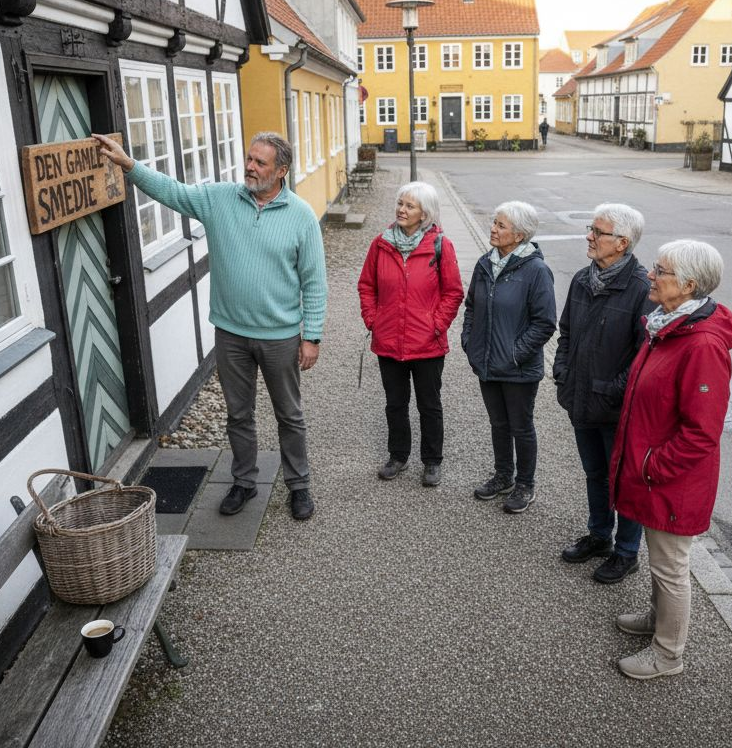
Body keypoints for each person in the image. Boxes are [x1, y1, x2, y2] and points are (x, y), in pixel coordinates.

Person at [93, 131, 326, 521]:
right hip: (231, 334)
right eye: (249, 159)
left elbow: (315, 281)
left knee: (289, 415)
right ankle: (244, 482)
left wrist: (312, 336)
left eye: (260, 162)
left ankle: (299, 486)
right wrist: (128, 165)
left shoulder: (300, 216)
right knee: (238, 415)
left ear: (281, 170)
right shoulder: (220, 199)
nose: (250, 167)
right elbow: (172, 192)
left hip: (280, 337)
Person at [609, 239, 732, 679]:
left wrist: (650, 467)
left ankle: (668, 655)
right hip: (656, 475)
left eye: (660, 270)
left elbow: (702, 432)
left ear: (688, 285)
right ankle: (656, 619)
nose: (650, 274)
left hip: (672, 480)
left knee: (670, 567)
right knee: (659, 560)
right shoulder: (666, 324)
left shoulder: (701, 345)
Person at [554, 203, 653, 584]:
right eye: (590, 229)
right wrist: (562, 371)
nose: (589, 237)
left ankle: (626, 553)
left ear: (622, 243)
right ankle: (599, 535)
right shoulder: (582, 279)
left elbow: (644, 356)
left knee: (624, 482)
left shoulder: (641, 289)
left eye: (598, 231)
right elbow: (566, 333)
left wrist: (612, 391)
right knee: (594, 474)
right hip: (580, 398)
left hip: (616, 409)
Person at [359, 182, 465, 487]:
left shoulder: (440, 245)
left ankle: (432, 461)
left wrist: (436, 325)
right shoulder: (381, 244)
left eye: (410, 206)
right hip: (388, 340)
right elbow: (367, 286)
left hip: (427, 344)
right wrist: (373, 320)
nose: (401, 210)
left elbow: (453, 293)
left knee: (429, 405)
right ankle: (398, 456)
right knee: (395, 403)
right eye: (400, 204)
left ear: (425, 213)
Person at [462, 201, 556, 514]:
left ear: (518, 235)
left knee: (521, 426)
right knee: (498, 423)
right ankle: (503, 475)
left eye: (501, 225)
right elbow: (472, 306)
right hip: (486, 362)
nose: (493, 229)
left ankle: (525, 483)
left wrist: (515, 354)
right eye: (494, 222)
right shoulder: (484, 263)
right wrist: (470, 342)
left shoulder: (536, 271)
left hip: (518, 368)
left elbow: (545, 323)